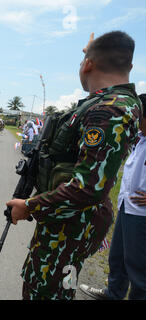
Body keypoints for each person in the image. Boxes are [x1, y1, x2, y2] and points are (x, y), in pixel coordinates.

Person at [6, 31, 143, 300]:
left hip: (70, 228)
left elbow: (87, 188)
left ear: (89, 65)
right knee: (58, 283)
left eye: (84, 60)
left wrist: (29, 206)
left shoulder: (109, 110)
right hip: (70, 225)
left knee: (45, 290)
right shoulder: (111, 103)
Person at [79, 93, 146, 300]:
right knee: (118, 257)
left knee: (139, 268)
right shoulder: (140, 139)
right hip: (127, 205)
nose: (134, 118)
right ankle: (113, 294)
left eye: (139, 115)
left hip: (142, 214)